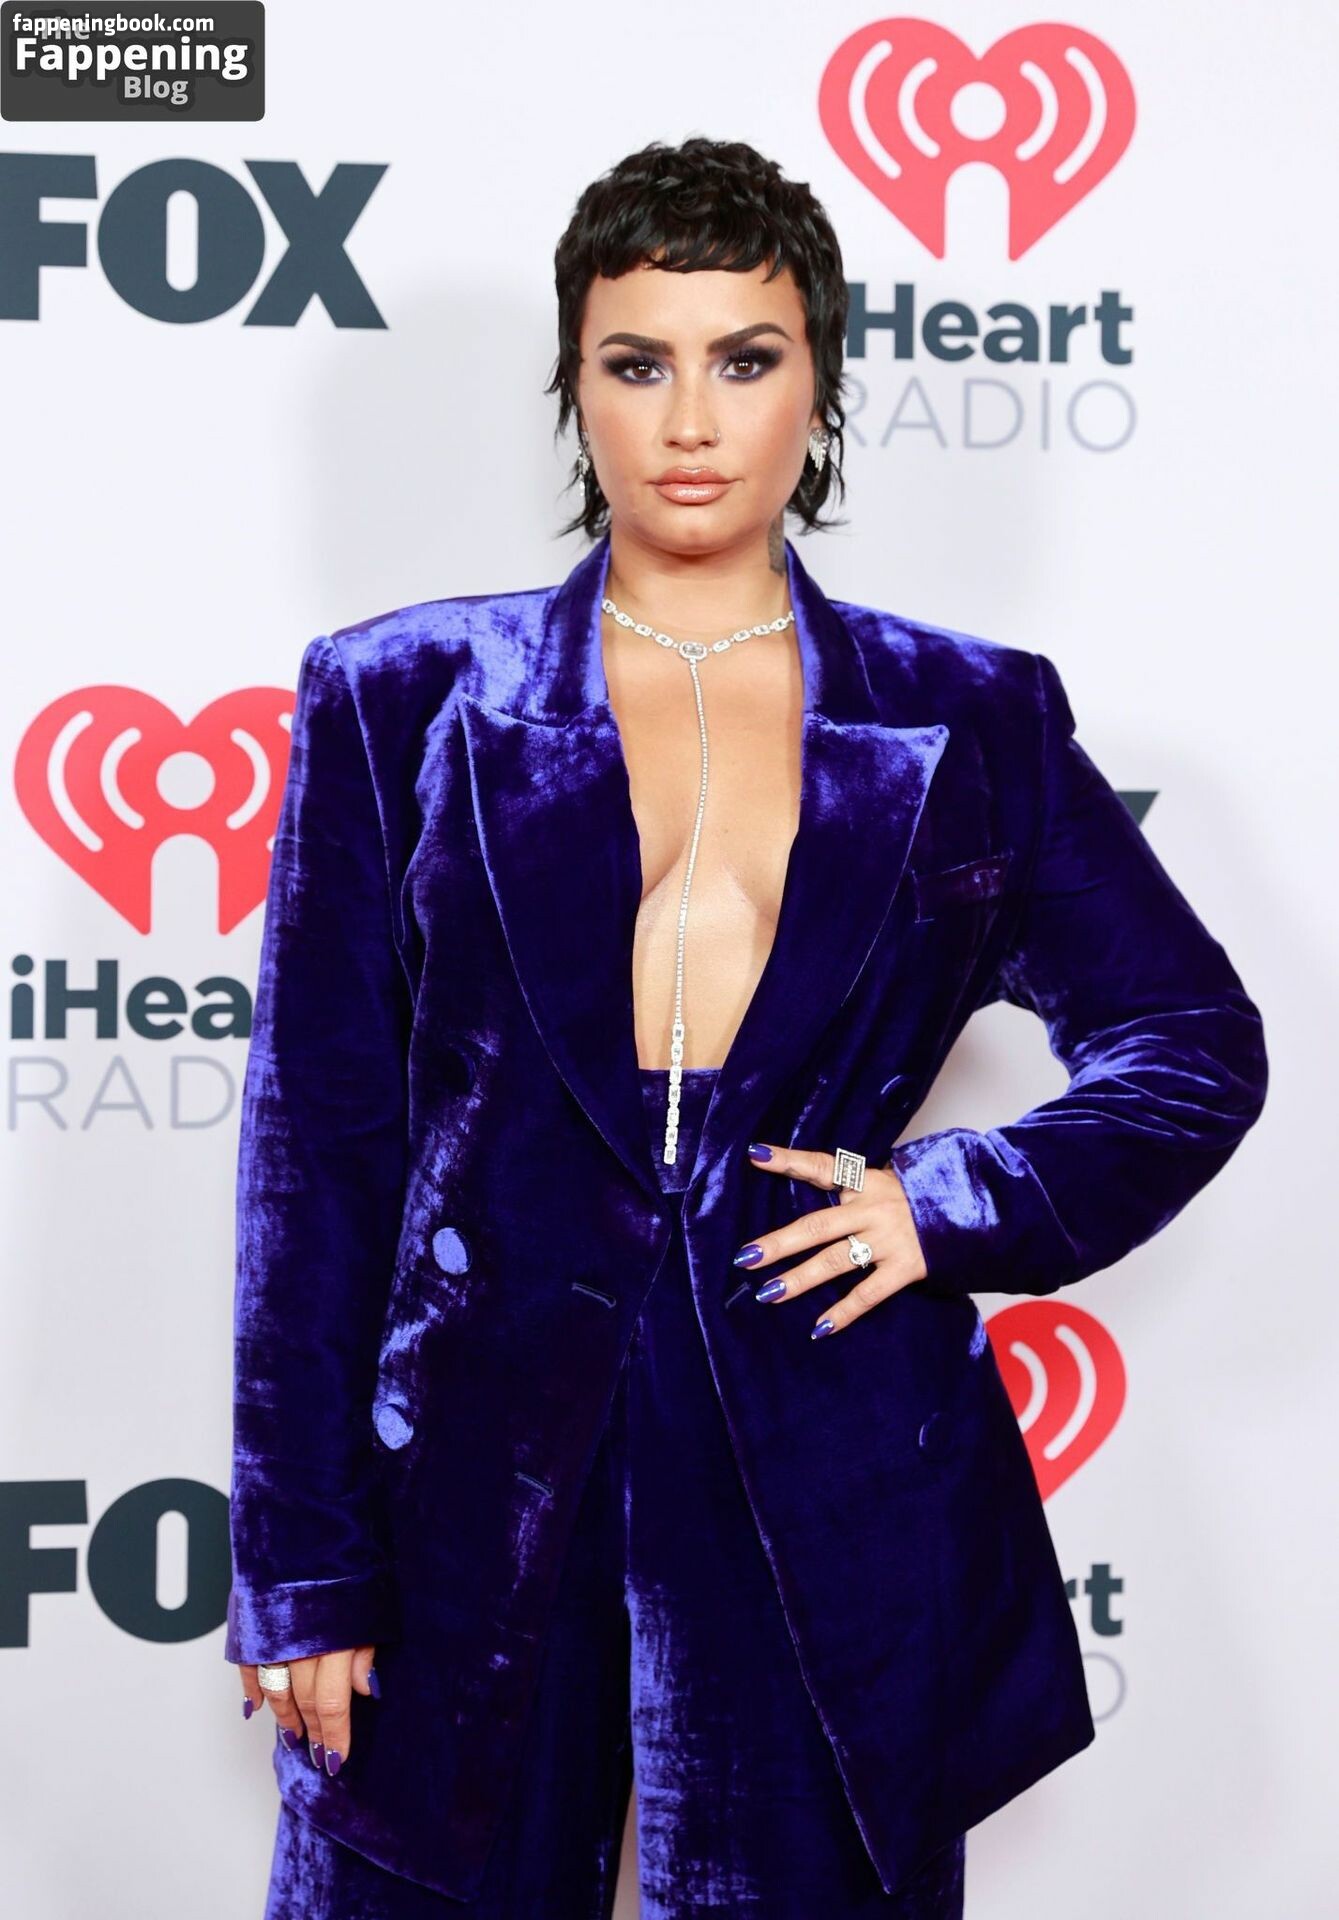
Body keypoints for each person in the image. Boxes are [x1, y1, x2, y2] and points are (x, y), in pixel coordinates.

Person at [223, 137, 1268, 1918]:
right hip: (469, 1469)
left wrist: (945, 1205)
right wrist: (303, 1568)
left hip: (826, 1455)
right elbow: (315, 1160)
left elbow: (1190, 1039)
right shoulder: (399, 697)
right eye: (638, 363)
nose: (691, 421)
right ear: (576, 387)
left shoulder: (968, 716)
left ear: (820, 383)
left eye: (746, 358)